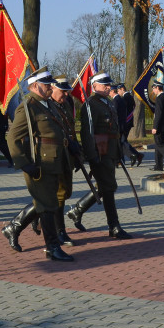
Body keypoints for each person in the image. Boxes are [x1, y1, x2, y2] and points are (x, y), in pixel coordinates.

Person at [6, 68, 76, 261]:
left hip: (54, 163)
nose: (49, 86)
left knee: (48, 203)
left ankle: (13, 227)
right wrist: (23, 163)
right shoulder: (27, 107)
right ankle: (52, 248)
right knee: (47, 206)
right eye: (46, 84)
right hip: (39, 164)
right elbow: (13, 138)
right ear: (35, 86)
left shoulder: (47, 105)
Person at [66, 72, 131, 239]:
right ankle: (114, 226)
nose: (108, 86)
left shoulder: (107, 102)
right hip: (100, 152)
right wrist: (91, 154)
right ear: (94, 86)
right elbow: (87, 133)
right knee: (108, 187)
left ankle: (77, 210)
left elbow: (114, 129)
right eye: (104, 84)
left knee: (106, 186)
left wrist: (118, 151)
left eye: (108, 84)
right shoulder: (90, 105)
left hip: (110, 151)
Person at [115, 83, 143, 166]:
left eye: (118, 90)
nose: (118, 92)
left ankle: (134, 156)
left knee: (122, 141)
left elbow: (124, 111)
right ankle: (124, 159)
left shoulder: (125, 98)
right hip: (128, 122)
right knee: (122, 141)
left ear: (122, 89)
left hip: (125, 122)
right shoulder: (129, 97)